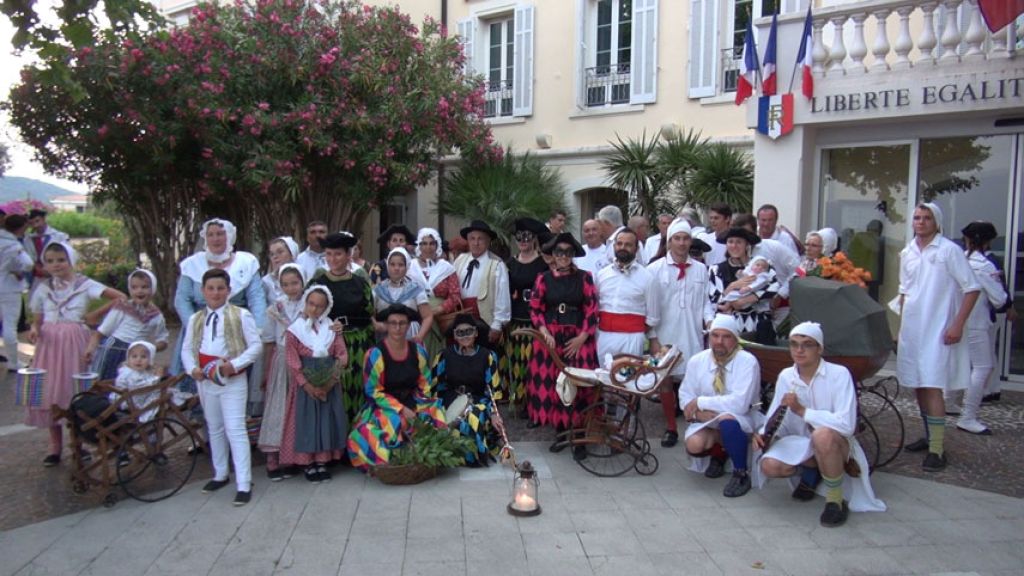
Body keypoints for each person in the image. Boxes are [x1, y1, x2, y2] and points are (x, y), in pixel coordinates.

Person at [754, 322, 886, 526]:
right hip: (802, 443)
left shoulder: (839, 374)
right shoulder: (786, 376)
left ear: (820, 348)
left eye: (807, 344)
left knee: (822, 435)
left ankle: (835, 500)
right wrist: (764, 434)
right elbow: (774, 415)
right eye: (794, 344)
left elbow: (846, 425)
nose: (799, 350)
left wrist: (803, 411)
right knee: (769, 466)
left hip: (836, 442)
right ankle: (812, 471)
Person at [28, 242, 125, 466]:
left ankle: (78, 444)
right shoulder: (44, 288)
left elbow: (119, 297)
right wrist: (34, 330)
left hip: (75, 342)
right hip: (49, 345)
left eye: (61, 260)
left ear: (70, 260)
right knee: (50, 393)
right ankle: (54, 446)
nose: (56, 265)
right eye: (50, 261)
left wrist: (94, 314)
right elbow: (38, 319)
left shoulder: (84, 284)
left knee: (75, 392)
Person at [898, 203, 979, 472]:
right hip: (913, 329)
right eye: (917, 218)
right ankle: (930, 434)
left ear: (937, 222)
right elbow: (904, 290)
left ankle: (937, 449)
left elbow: (972, 288)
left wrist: (957, 324)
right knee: (918, 384)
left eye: (927, 218)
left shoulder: (949, 251)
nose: (920, 222)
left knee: (932, 384)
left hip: (937, 328)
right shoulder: (907, 252)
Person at [180, 268, 262, 505]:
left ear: (229, 290)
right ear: (203, 291)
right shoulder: (196, 318)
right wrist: (192, 368)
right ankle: (220, 473)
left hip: (232, 379)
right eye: (210, 289)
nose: (215, 293)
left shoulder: (241, 315)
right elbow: (187, 348)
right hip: (205, 379)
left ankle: (244, 482)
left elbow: (254, 346)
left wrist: (234, 365)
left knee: (235, 428)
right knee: (214, 427)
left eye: (220, 288)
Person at [172, 219, 265, 417]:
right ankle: (206, 434)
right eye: (211, 234)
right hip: (202, 328)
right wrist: (196, 325)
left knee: (234, 381)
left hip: (236, 328)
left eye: (220, 234)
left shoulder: (246, 263)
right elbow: (182, 300)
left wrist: (257, 328)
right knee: (203, 385)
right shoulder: (192, 265)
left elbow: (256, 298)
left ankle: (238, 431)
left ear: (229, 236)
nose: (216, 238)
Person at [347, 305, 445, 471]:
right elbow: (373, 391)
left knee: (435, 411)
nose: (398, 328)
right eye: (393, 323)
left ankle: (430, 457)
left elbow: (425, 383)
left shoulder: (418, 351)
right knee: (387, 424)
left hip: (413, 399)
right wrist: (400, 409)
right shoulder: (374, 354)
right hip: (383, 404)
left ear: (408, 325)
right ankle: (393, 461)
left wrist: (418, 404)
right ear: (386, 325)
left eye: (402, 323)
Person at [527, 232, 599, 459]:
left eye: (568, 252)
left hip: (577, 340)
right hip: (551, 340)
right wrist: (544, 331)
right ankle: (560, 432)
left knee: (580, 386)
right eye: (559, 252)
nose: (563, 256)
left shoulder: (585, 278)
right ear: (553, 255)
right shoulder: (543, 278)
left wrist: (582, 338)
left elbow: (592, 309)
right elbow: (536, 308)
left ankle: (580, 438)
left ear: (573, 255)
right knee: (554, 387)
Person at [647, 219, 715, 448]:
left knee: (694, 382)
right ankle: (670, 427)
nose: (682, 243)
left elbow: (705, 301)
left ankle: (695, 426)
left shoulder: (701, 269)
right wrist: (653, 338)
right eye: (677, 238)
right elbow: (649, 308)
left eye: (686, 238)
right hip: (665, 335)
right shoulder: (654, 269)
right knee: (665, 380)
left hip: (693, 335)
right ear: (669, 241)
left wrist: (711, 323)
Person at [678, 314, 761, 497]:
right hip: (707, 418)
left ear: (735, 339)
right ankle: (721, 452)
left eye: (726, 336)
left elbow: (739, 404)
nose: (719, 341)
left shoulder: (747, 361)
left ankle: (741, 473)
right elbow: (685, 396)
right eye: (715, 335)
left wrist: (701, 402)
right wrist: (698, 415)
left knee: (727, 420)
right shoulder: (698, 360)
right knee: (694, 444)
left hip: (743, 416)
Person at [281, 285, 349, 483]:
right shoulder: (295, 330)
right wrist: (307, 385)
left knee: (325, 420)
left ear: (326, 308)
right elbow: (293, 360)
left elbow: (341, 353)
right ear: (305, 303)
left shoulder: (332, 328)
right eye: (311, 304)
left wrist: (330, 381)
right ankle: (307, 462)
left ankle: (322, 460)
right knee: (307, 420)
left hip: (328, 382)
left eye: (319, 306)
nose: (314, 309)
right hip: (305, 385)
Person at [308, 232, 374, 425]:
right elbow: (309, 315)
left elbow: (369, 314)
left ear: (348, 255)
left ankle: (356, 439)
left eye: (337, 254)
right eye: (328, 254)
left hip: (357, 345)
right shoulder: (317, 284)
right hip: (328, 346)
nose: (332, 259)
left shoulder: (360, 283)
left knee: (356, 391)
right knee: (333, 391)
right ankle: (332, 443)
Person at [952, 222, 1011, 435]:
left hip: (953, 320)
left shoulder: (955, 260)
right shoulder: (984, 265)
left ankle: (948, 402)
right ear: (987, 241)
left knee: (956, 362)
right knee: (982, 367)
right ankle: (968, 416)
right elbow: (999, 299)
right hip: (976, 322)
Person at [432, 314, 504, 466]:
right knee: (450, 419)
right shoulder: (444, 356)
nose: (465, 336)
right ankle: (457, 454)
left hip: (478, 399)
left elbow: (494, 390)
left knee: (474, 416)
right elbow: (435, 387)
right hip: (452, 398)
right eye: (460, 333)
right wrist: (435, 411)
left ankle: (474, 457)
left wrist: (494, 414)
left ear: (476, 333)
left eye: (468, 332)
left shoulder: (488, 356)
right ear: (454, 336)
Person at [258, 263, 306, 481]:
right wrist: (267, 370)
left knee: (298, 410)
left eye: (295, 283)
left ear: (303, 282)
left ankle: (294, 456)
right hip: (282, 359)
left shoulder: (311, 304)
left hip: (303, 360)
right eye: (285, 284)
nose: (290, 288)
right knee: (279, 406)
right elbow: (269, 340)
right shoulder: (277, 307)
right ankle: (273, 457)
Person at [84, 269, 169, 381]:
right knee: (108, 381)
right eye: (134, 287)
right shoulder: (123, 307)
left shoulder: (156, 316)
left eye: (144, 287)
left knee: (132, 383)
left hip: (136, 354)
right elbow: (101, 332)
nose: (139, 291)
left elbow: (163, 339)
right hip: (114, 348)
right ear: (130, 289)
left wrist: (149, 348)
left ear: (152, 289)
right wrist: (91, 349)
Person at [505, 218, 552, 412]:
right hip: (516, 320)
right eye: (519, 238)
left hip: (537, 321)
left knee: (534, 363)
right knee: (516, 361)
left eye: (527, 237)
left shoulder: (543, 263)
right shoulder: (510, 263)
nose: (523, 241)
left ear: (534, 239)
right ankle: (519, 400)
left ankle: (535, 403)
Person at [595, 228, 660, 365]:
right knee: (604, 380)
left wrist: (632, 330)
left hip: (632, 339)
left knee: (628, 381)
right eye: (619, 244)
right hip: (604, 337)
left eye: (628, 244)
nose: (622, 247)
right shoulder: (602, 275)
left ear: (636, 249)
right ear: (614, 246)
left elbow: (653, 317)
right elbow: (595, 307)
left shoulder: (647, 278)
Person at [708, 227, 780, 345]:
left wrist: (746, 300)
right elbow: (714, 301)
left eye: (739, 242)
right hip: (731, 326)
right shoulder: (716, 269)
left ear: (747, 245)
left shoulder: (761, 265)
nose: (734, 246)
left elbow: (774, 286)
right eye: (730, 242)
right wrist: (732, 286)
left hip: (759, 323)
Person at [452, 220, 510, 348]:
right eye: (472, 238)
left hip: (485, 321)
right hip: (462, 320)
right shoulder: (460, 260)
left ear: (488, 241)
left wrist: (497, 324)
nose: (476, 243)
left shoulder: (497, 264)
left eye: (480, 239)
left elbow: (502, 296)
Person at [414, 227, 461, 358]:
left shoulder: (447, 268)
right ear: (419, 245)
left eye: (431, 243)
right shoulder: (410, 268)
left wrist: (438, 309)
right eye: (424, 243)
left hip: (440, 320)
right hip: (417, 320)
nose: (428, 247)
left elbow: (455, 296)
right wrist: (422, 312)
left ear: (437, 245)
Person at [372, 247, 434, 342]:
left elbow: (427, 316)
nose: (396, 268)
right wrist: (377, 325)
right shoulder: (378, 290)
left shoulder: (415, 289)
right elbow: (370, 314)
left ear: (407, 267)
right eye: (392, 264)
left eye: (400, 265)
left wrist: (420, 336)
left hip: (410, 335)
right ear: (387, 266)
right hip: (384, 338)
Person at [0, 214, 33, 369]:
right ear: (22, 227)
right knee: (10, 326)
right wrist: (16, 269)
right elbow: (28, 264)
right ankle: (14, 362)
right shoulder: (14, 246)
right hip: (9, 288)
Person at [112, 341, 162, 424]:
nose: (138, 360)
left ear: (150, 360)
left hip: (134, 395)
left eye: (143, 357)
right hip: (129, 400)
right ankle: (145, 414)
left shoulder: (143, 372)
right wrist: (157, 378)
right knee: (158, 394)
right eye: (134, 356)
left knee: (161, 391)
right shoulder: (127, 373)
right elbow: (141, 386)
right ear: (128, 359)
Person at [23, 209, 69, 291]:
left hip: (57, 273)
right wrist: (38, 269)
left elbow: (67, 256)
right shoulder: (28, 239)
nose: (36, 225)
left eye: (37, 221)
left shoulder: (60, 236)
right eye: (32, 223)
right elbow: (29, 257)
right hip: (38, 274)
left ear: (44, 219)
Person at [261, 236, 300, 303]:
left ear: (292, 254)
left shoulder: (302, 277)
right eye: (272, 254)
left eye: (280, 252)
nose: (275, 257)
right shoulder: (266, 282)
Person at [695, 202, 732, 267]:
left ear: (727, 219)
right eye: (711, 218)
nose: (712, 221)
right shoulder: (706, 239)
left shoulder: (734, 240)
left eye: (716, 218)